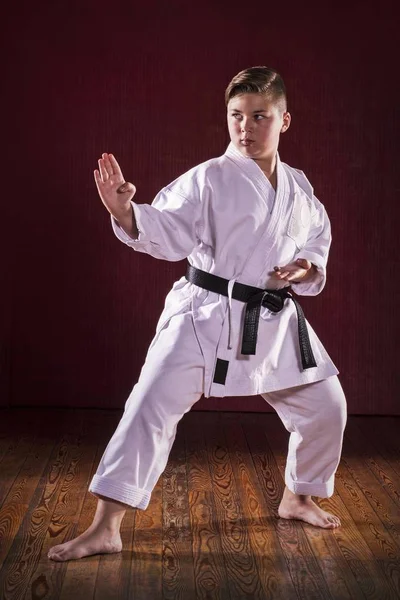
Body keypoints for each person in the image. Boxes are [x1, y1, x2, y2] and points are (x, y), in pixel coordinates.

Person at [48, 66, 347, 562]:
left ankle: (298, 496)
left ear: (284, 120)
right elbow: (166, 228)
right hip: (203, 314)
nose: (245, 128)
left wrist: (307, 265)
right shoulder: (210, 177)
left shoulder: (298, 186)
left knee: (327, 407)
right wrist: (126, 212)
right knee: (149, 407)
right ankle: (105, 526)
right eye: (235, 116)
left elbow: (317, 233)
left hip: (271, 318)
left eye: (258, 117)